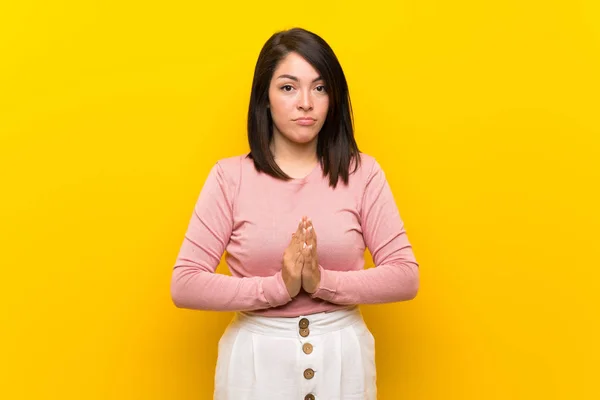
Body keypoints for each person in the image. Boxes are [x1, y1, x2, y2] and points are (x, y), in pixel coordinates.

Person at [170, 27, 420, 400]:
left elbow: (405, 276)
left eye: (319, 88)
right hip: (255, 363)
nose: (306, 102)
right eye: (288, 87)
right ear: (265, 98)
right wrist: (278, 288)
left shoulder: (363, 173)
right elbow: (185, 283)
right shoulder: (229, 177)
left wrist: (321, 282)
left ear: (333, 98)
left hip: (343, 359)